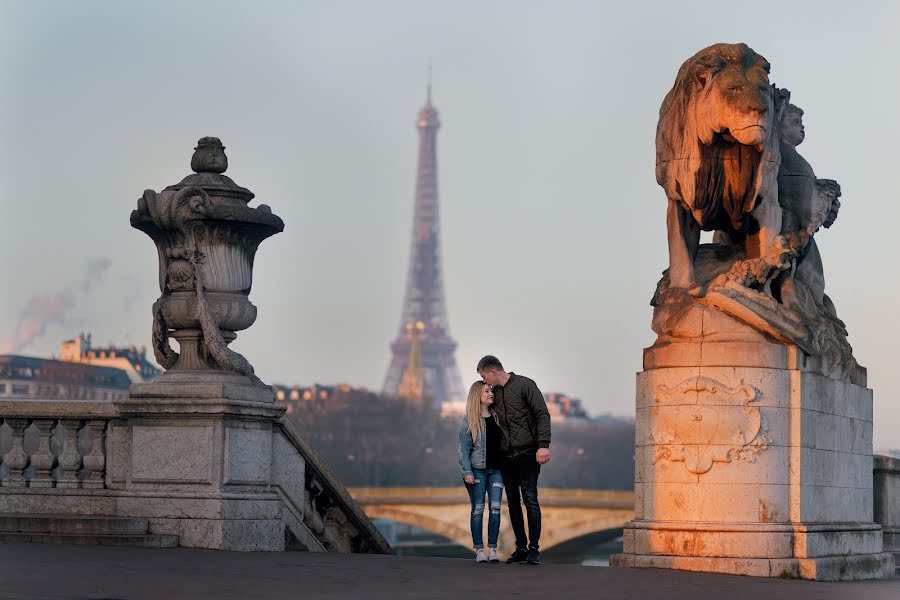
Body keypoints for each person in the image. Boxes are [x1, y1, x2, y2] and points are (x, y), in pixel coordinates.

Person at [477, 355, 551, 565]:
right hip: (505, 456)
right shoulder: (493, 394)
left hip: (528, 452)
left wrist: (543, 445)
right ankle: (521, 547)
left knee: (530, 499)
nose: (484, 381)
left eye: (484, 376)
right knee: (512, 504)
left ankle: (534, 549)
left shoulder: (525, 385)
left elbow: (542, 415)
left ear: (492, 371)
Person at [457, 380, 504, 563]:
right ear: (478, 395)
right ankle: (479, 550)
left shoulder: (498, 416)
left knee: (495, 509)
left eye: (491, 390)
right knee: (478, 509)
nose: (490, 393)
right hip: (476, 471)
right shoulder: (469, 419)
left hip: (497, 471)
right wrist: (467, 471)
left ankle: (492, 549)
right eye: (486, 391)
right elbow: (463, 449)